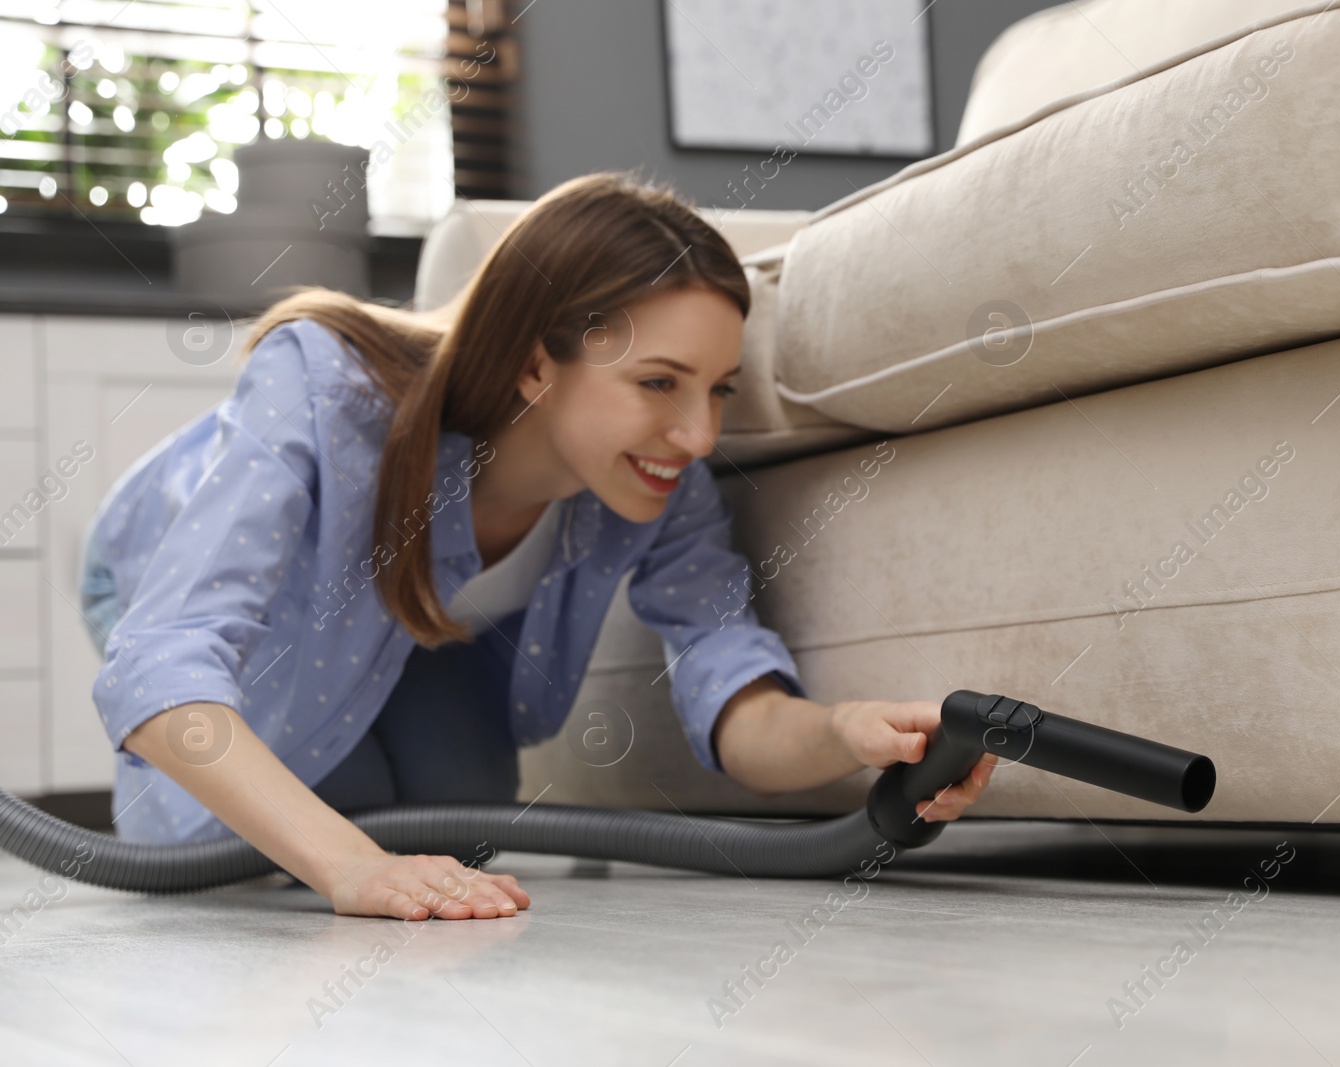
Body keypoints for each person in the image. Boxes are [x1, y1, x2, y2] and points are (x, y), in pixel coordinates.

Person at [77, 171, 997, 922]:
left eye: (717, 389)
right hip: (166, 580)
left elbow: (736, 701)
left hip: (421, 631)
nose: (698, 435)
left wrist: (846, 734)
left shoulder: (656, 485)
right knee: (290, 821)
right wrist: (351, 867)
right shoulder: (325, 387)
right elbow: (158, 663)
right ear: (533, 364)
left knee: (453, 820)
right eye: (658, 382)